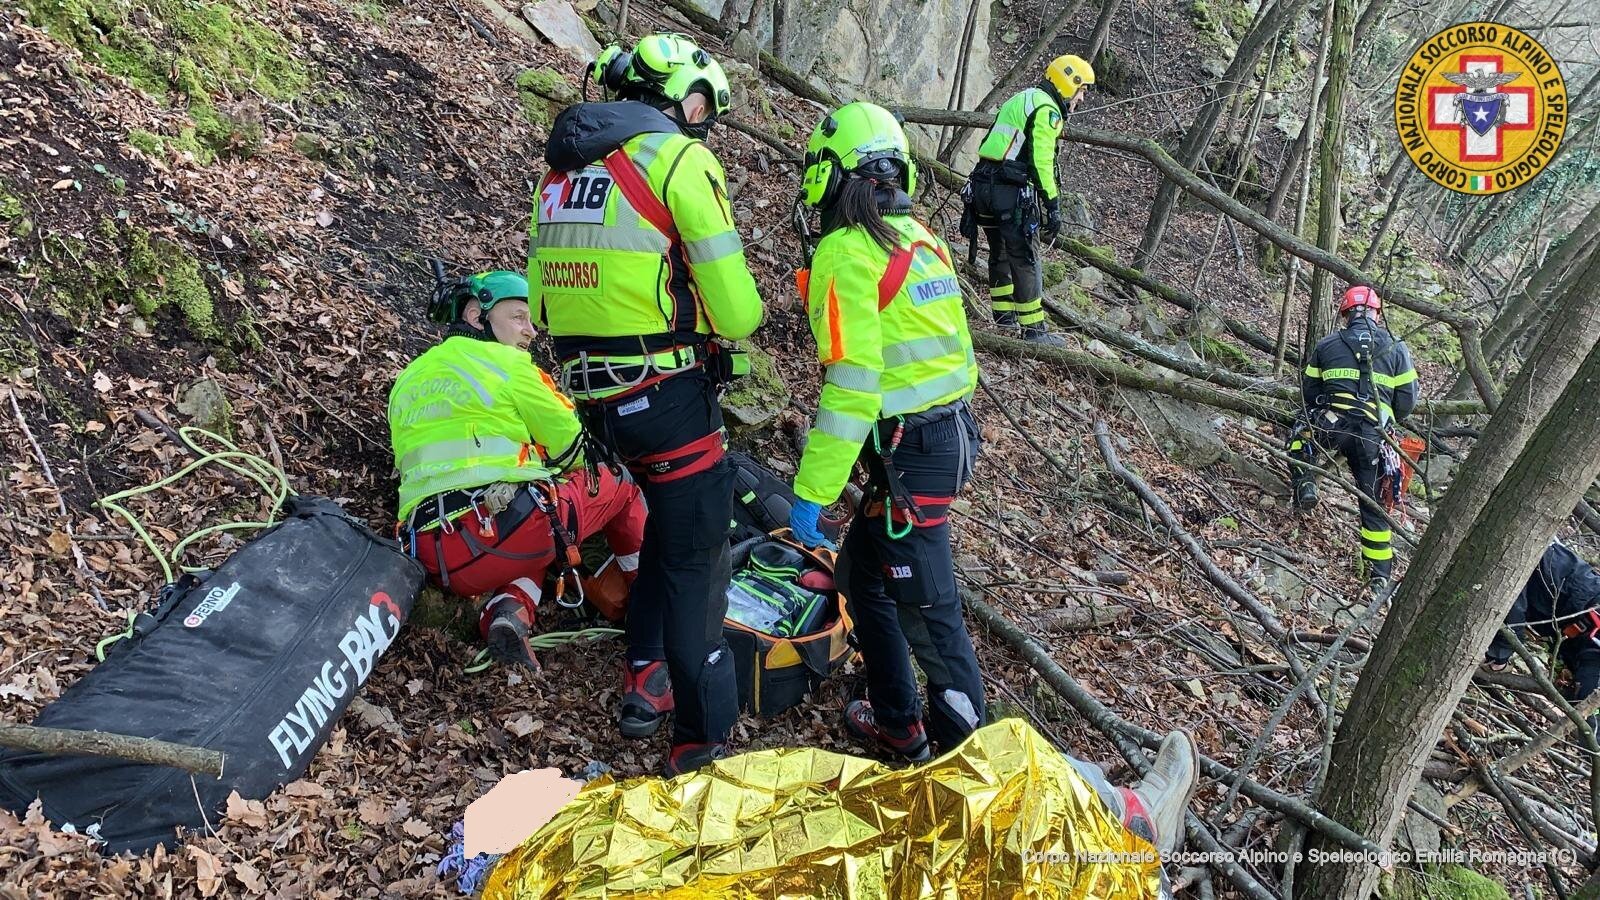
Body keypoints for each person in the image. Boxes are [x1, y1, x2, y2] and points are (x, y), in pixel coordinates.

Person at [529, 33, 764, 776]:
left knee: (666, 524)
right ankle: (702, 739)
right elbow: (739, 313)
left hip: (593, 403)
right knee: (698, 557)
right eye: (703, 112)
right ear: (687, 103)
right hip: (664, 396)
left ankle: (646, 676)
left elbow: (542, 305)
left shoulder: (561, 173)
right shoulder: (679, 161)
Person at [786, 101, 986, 761]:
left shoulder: (848, 251)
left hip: (914, 453)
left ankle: (968, 765)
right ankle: (899, 722)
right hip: (944, 438)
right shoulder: (919, 238)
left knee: (931, 619)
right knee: (863, 576)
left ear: (831, 175)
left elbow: (852, 388)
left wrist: (813, 492)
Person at [388, 270, 646, 670]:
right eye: (518, 317)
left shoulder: (408, 379)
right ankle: (651, 602)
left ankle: (509, 612)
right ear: (476, 316)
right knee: (617, 483)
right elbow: (575, 450)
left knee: (532, 515)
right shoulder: (510, 364)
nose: (530, 331)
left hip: (432, 554)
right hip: (498, 534)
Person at [1290, 285, 1418, 593]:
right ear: (1377, 314)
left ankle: (1305, 483)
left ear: (1346, 314)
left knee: (1299, 436)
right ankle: (1378, 576)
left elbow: (1309, 392)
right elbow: (1407, 401)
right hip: (1373, 437)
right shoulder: (1396, 348)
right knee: (1374, 505)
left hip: (1332, 425)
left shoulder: (1327, 344)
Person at [966, 54, 1095, 347]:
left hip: (982, 186)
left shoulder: (1022, 98)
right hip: (1009, 193)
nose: (1082, 98)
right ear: (1068, 83)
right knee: (1025, 257)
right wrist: (1052, 204)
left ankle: (1003, 320)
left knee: (999, 253)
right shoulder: (1047, 110)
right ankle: (1035, 331)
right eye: (1081, 90)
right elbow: (1041, 161)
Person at [1485, 542, 1600, 722]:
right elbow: (1509, 596)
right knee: (1589, 713)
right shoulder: (1522, 555)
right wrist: (1499, 655)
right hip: (1549, 574)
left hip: (1572, 611)